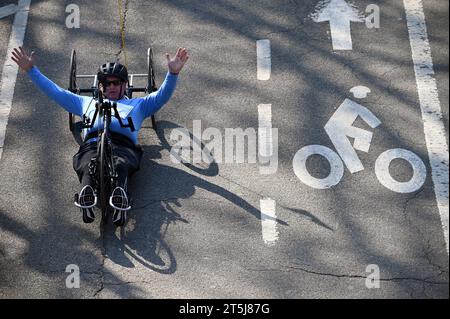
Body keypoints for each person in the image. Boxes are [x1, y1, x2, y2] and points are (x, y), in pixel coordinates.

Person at [11, 46, 189, 226]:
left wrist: (172, 74)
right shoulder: (85, 102)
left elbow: (161, 96)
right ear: (100, 86)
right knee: (88, 163)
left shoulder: (139, 104)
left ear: (125, 85)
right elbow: (56, 92)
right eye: (107, 83)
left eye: (116, 83)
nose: (111, 87)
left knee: (121, 164)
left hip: (124, 147)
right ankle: (86, 192)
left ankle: (121, 195)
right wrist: (31, 70)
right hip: (93, 144)